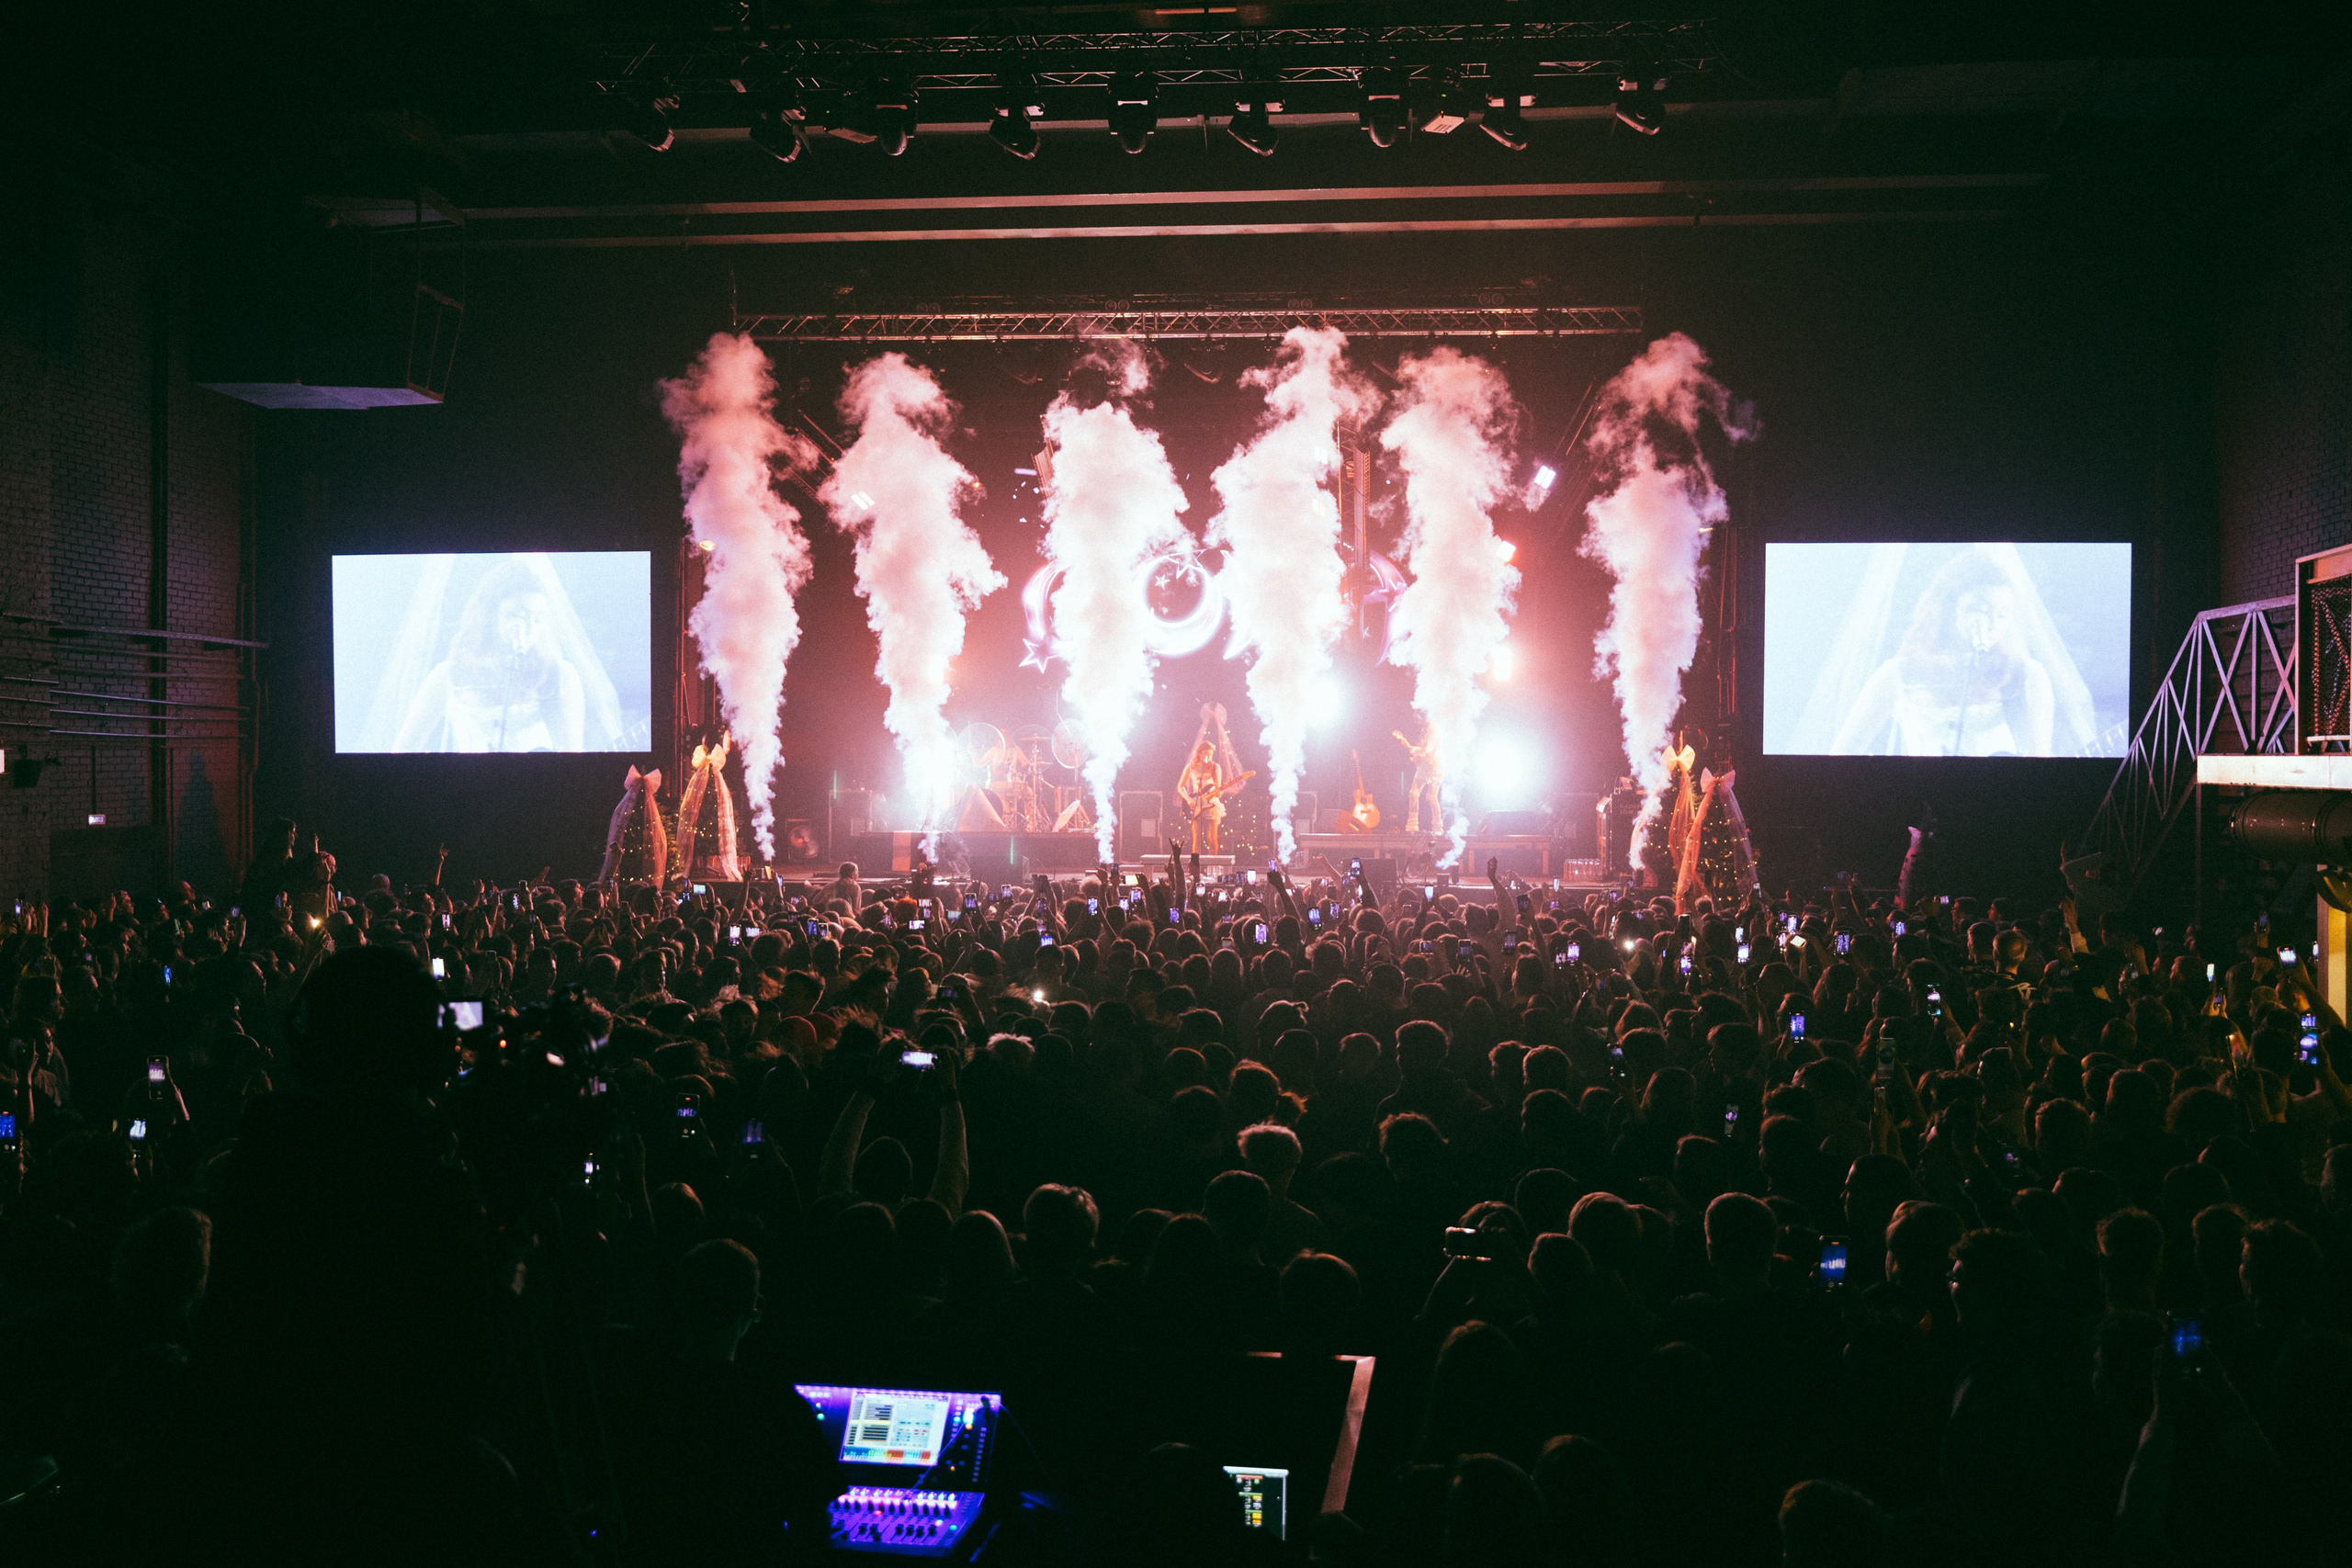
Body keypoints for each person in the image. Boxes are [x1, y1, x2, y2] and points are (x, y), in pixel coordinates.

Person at [390, 559, 589, 752]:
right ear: (490, 614)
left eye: (538, 619)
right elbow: (405, 746)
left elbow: (574, 758)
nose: (529, 629)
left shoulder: (560, 675)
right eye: (518, 616)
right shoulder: (448, 675)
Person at [1175, 741, 1227, 855]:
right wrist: (1188, 799)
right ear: (1199, 753)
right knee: (1197, 839)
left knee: (1212, 839)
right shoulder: (1191, 767)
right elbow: (1180, 786)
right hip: (1197, 804)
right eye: (1204, 754)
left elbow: (1219, 789)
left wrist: (1219, 793)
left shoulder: (1216, 767)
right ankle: (1196, 869)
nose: (1207, 757)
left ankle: (1213, 869)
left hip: (1211, 804)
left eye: (1210, 754)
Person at [1394, 722, 1441, 834]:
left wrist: (1413, 750)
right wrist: (1407, 744)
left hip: (1435, 766)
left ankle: (1438, 827)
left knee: (1431, 796)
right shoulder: (1425, 730)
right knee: (1414, 792)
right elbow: (1421, 751)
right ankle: (1412, 824)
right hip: (1424, 765)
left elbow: (1427, 751)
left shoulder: (1435, 729)